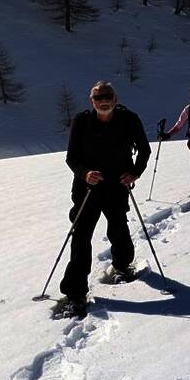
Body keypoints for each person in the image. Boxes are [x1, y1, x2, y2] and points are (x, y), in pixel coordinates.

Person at [61, 80, 151, 315]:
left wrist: (135, 172)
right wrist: (85, 173)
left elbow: (144, 149)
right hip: (87, 187)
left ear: (115, 98)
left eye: (107, 96)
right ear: (92, 101)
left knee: (118, 226)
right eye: (98, 97)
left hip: (116, 185)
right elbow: (71, 157)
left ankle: (122, 266)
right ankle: (75, 292)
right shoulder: (81, 121)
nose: (103, 101)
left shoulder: (129, 119)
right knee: (81, 235)